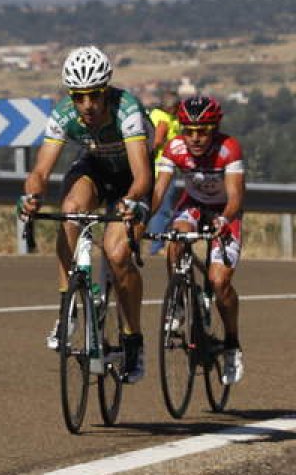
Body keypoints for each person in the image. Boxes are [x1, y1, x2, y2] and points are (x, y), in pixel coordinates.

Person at [19, 46, 153, 383]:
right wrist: (32, 195)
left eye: (94, 96)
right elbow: (40, 171)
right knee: (69, 212)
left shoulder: (127, 110)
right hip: (95, 170)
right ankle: (68, 309)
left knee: (117, 253)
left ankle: (133, 338)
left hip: (130, 181)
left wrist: (132, 200)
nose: (87, 105)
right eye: (79, 97)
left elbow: (141, 175)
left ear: (105, 91)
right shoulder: (64, 114)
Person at [151, 95, 245, 384]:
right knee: (175, 238)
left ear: (214, 128)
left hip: (223, 212)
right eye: (189, 130)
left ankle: (231, 344)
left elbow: (235, 198)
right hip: (192, 204)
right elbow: (158, 192)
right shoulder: (175, 147)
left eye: (202, 130)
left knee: (219, 282)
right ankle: (178, 303)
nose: (195, 138)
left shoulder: (228, 149)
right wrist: (142, 218)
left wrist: (223, 220)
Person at [146, 91, 182, 255]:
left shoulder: (154, 114)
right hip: (162, 170)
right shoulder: (164, 119)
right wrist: (174, 146)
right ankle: (157, 246)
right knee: (162, 209)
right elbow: (157, 141)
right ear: (172, 107)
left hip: (152, 169)